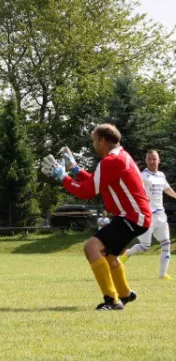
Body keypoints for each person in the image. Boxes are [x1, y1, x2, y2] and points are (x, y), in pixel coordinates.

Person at [42, 123, 151, 310]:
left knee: (92, 247)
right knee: (108, 255)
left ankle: (112, 300)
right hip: (135, 216)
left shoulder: (111, 161)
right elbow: (97, 181)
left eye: (94, 140)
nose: (93, 144)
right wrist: (75, 170)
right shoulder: (120, 157)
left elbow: (87, 191)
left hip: (132, 217)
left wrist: (63, 177)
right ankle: (125, 294)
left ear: (102, 141)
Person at [121, 150, 176, 279]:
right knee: (145, 247)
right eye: (149, 159)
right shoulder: (142, 176)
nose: (152, 161)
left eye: (154, 159)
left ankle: (162, 275)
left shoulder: (161, 176)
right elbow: (133, 188)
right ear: (146, 161)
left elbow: (167, 189)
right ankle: (127, 254)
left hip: (161, 215)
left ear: (159, 160)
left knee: (166, 244)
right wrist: (143, 196)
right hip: (147, 216)